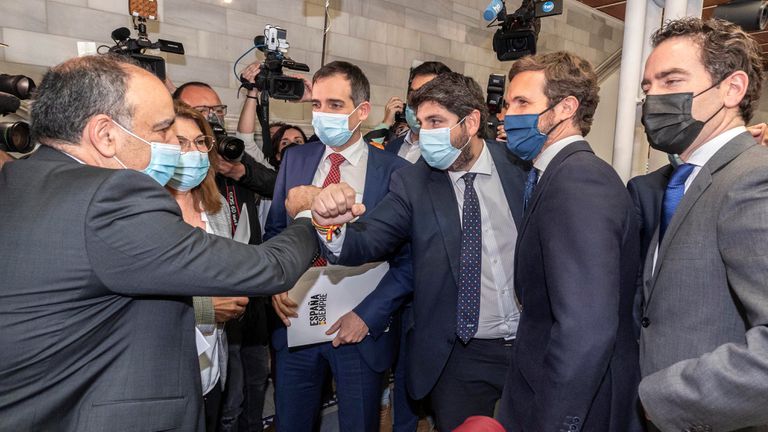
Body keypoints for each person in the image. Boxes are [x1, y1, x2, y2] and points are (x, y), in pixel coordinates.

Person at [0, 54, 317, 432]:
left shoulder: (19, 177)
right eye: (163, 129)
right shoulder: (110, 196)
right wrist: (304, 215)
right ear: (105, 134)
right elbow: (268, 269)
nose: (176, 146)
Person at [305, 72, 528, 431]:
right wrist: (331, 223)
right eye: (421, 123)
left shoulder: (519, 166)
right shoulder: (413, 181)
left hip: (530, 343)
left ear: (470, 122)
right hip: (459, 354)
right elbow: (367, 239)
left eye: (436, 122)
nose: (425, 135)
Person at [497, 51, 641, 432]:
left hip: (566, 406)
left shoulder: (579, 181)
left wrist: (555, 422)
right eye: (508, 102)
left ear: (565, 108)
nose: (508, 114)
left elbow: (585, 329)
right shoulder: (553, 173)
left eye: (522, 103)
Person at [265, 60, 411, 432]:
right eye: (316, 105)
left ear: (361, 112)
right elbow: (275, 233)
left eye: (334, 105)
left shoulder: (394, 171)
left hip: (358, 331)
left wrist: (368, 316)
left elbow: (409, 260)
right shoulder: (295, 160)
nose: (322, 114)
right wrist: (276, 284)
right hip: (296, 323)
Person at [637, 18, 768, 431]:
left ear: (732, 89)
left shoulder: (753, 178)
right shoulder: (688, 176)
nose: (652, 98)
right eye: (647, 87)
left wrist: (663, 397)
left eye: (671, 81)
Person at [174, 80, 277, 431]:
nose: (212, 119)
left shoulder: (229, 153)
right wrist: (203, 307)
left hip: (247, 292)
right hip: (181, 354)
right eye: (202, 113)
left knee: (250, 379)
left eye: (216, 112)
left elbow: (273, 183)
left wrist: (239, 171)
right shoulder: (155, 192)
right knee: (226, 400)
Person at [166, 100, 250, 431]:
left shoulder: (215, 209)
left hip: (213, 367)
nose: (194, 152)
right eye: (180, 142)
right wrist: (203, 308)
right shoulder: (142, 211)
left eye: (200, 142)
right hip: (167, 376)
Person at [384, 61, 452, 164]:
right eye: (413, 94)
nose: (416, 102)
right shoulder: (392, 146)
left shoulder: (449, 156)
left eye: (425, 95)